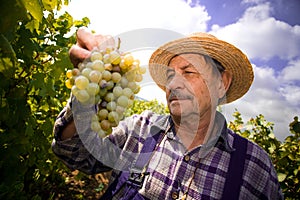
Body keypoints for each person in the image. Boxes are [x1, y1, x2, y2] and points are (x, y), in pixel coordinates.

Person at [52, 28, 283, 199]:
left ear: (222, 82)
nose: (174, 84)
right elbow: (73, 153)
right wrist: (88, 94)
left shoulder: (255, 165)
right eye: (170, 75)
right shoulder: (139, 129)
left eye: (189, 71)